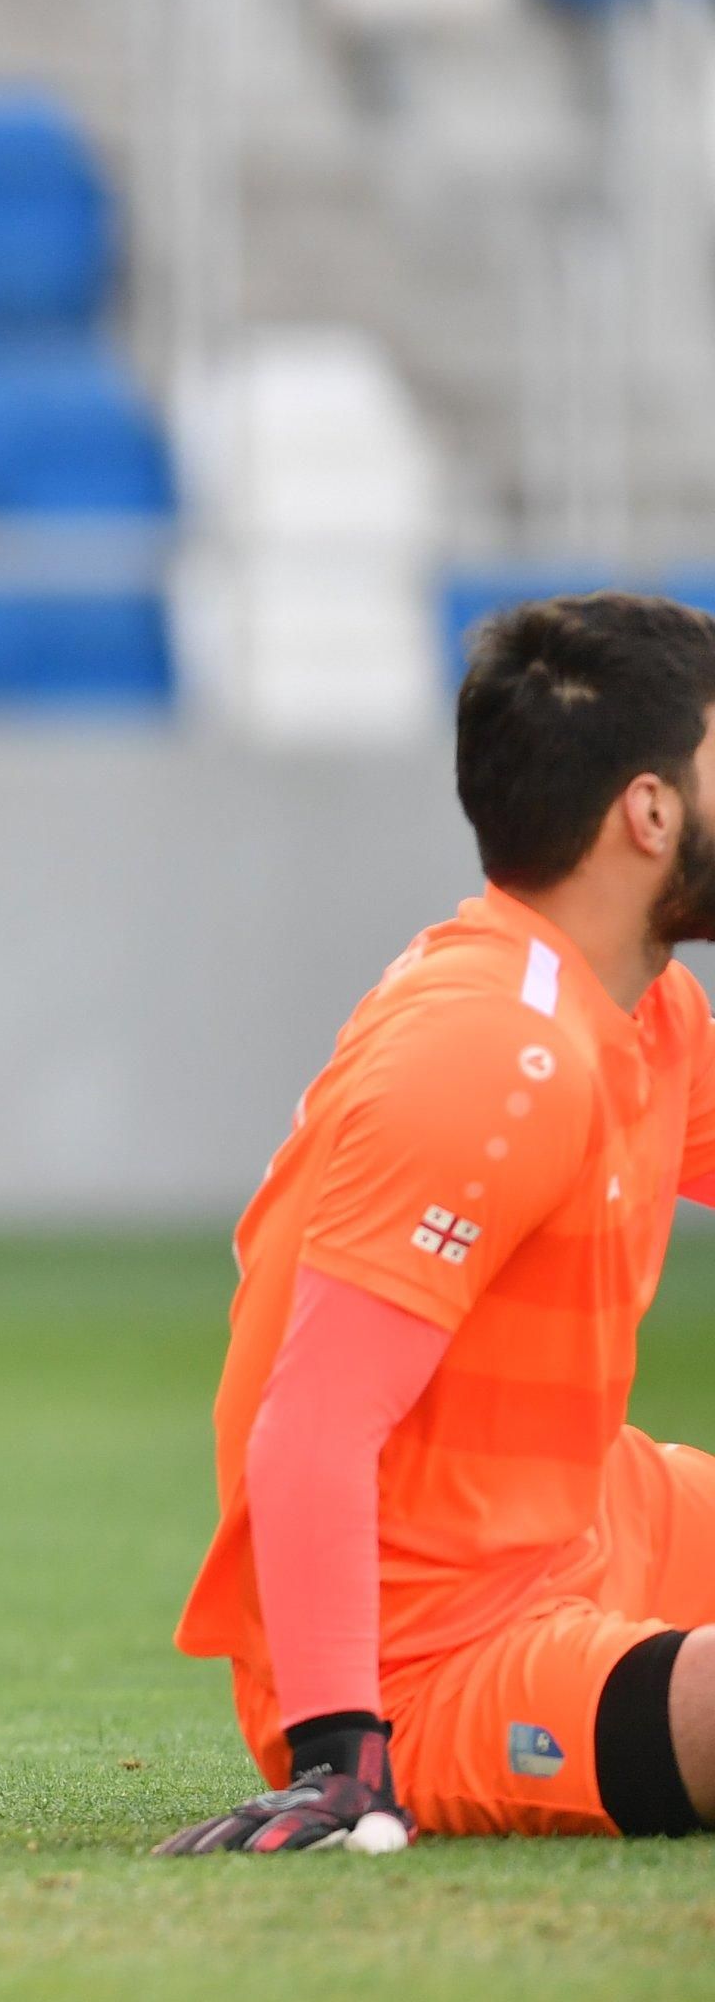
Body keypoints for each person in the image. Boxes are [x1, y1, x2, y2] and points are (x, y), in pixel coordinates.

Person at [168, 592, 715, 1853]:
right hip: (436, 1652)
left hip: (589, 1518)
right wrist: (338, 1758)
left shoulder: (643, 1011)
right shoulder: (490, 1050)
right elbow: (311, 1417)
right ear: (649, 810)